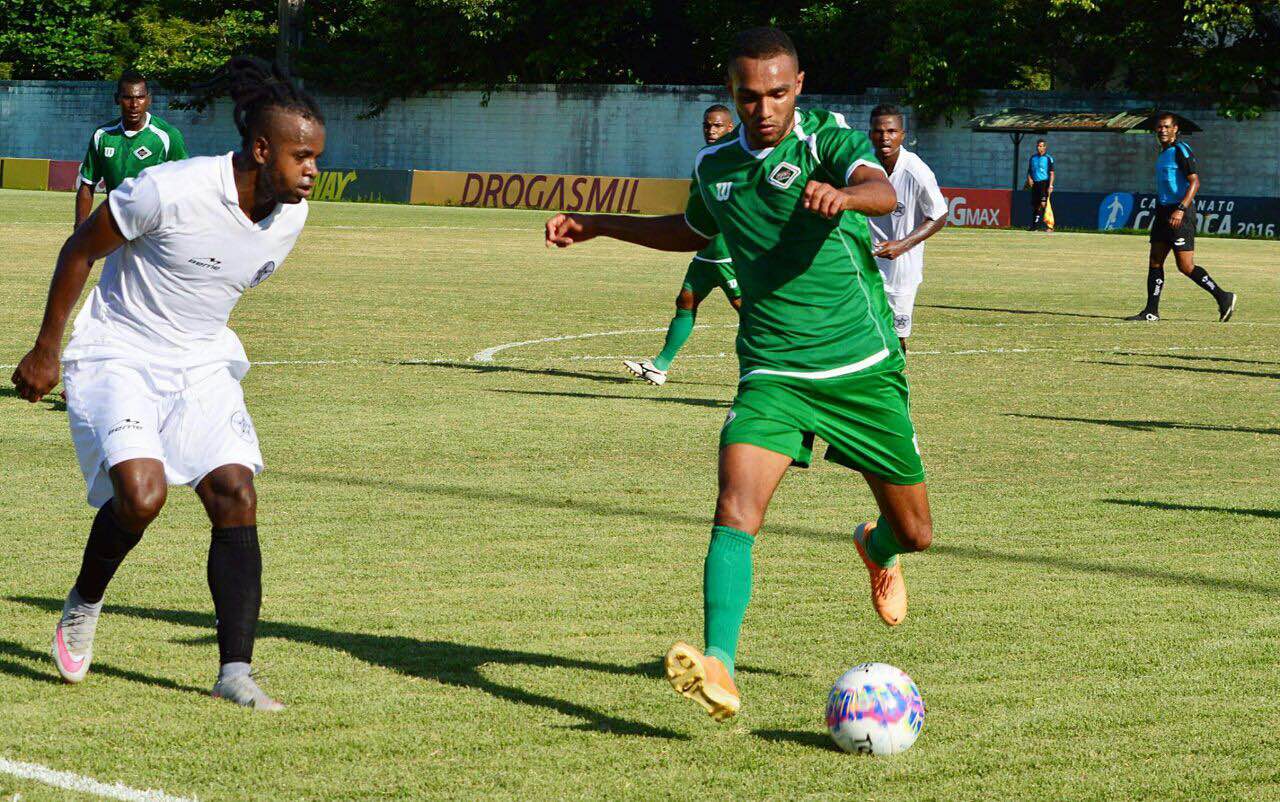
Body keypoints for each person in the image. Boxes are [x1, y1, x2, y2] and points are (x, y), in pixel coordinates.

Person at [546, 27, 933, 722]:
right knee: (735, 508)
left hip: (863, 371)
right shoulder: (716, 165)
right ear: (733, 93)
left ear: (799, 87)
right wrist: (600, 225)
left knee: (916, 533)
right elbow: (693, 229)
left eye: (778, 94)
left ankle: (875, 549)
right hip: (772, 372)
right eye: (750, 96)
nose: (764, 109)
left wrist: (845, 200)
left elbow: (879, 191)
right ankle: (719, 659)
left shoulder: (829, 141)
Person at [11, 56, 325, 711]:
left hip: (203, 362)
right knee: (142, 495)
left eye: (317, 158)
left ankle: (234, 672)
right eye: (302, 157)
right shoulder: (170, 189)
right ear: (261, 149)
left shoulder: (291, 216)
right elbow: (80, 249)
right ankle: (84, 603)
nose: (312, 171)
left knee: (236, 493)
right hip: (118, 352)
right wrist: (48, 348)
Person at [624, 105, 742, 385]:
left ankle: (792, 369)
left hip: (729, 256)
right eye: (706, 125)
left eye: (717, 126)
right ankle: (659, 367)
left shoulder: (738, 158)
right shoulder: (706, 159)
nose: (710, 130)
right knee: (685, 302)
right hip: (705, 255)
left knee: (755, 316)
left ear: (730, 127)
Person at [1125, 113, 1236, 322]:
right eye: (1159, 127)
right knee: (1155, 260)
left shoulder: (1180, 150)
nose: (1162, 130)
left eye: (1167, 127)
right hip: (1163, 211)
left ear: (1175, 129)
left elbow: (1195, 182)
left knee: (1185, 266)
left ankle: (1224, 296)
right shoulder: (1162, 152)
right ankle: (1151, 311)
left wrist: (1181, 209)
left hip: (1180, 213)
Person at [866, 104, 947, 354]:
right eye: (879, 131)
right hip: (864, 262)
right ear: (870, 134)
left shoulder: (916, 170)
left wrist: (902, 245)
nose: (885, 137)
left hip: (901, 270)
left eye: (891, 131)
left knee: (896, 338)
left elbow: (940, 214)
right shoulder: (863, 166)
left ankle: (895, 386)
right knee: (861, 331)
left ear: (903, 134)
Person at [75, 70, 189, 229]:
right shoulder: (102, 135)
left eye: (140, 98)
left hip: (156, 229)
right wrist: (79, 229)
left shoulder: (168, 136)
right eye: (127, 98)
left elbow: (184, 183)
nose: (134, 105)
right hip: (116, 228)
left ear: (149, 99)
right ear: (117, 99)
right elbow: (87, 185)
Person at [1024, 139, 1054, 231]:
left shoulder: (1048, 158)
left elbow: (1052, 173)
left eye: (1041, 146)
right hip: (1035, 184)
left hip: (1044, 183)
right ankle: (1035, 226)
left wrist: (1051, 185)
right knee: (1036, 205)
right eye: (1038, 146)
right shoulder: (1033, 158)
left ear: (1045, 147)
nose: (1039, 148)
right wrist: (1029, 179)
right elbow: (1029, 171)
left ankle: (1049, 226)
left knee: (1043, 204)